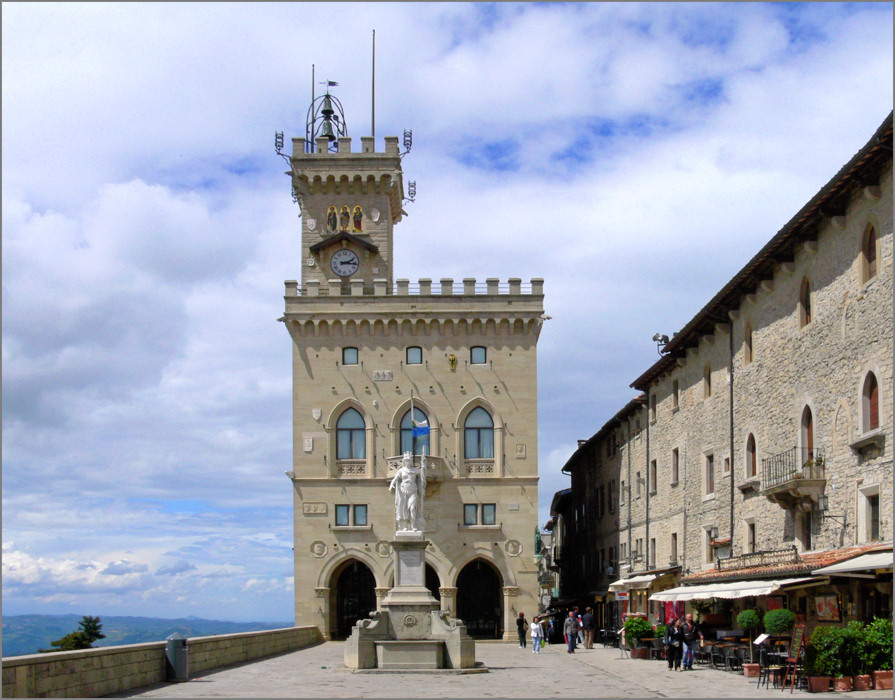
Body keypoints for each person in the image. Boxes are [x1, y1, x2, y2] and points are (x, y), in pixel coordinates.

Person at [388, 452, 426, 531]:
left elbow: (422, 475)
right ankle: (405, 526)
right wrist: (391, 485)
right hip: (403, 491)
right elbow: (395, 478)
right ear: (404, 461)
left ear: (411, 461)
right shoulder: (401, 470)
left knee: (412, 509)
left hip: (413, 490)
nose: (408, 462)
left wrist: (424, 467)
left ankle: (413, 526)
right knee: (404, 509)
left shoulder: (415, 470)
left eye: (409, 460)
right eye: (406, 461)